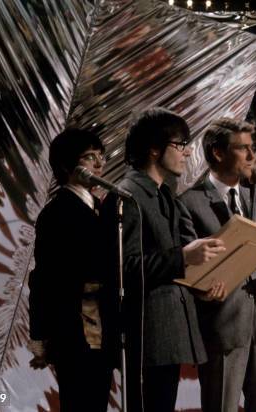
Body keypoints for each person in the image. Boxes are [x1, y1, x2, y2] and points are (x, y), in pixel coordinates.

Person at [101, 108, 226, 412]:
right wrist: (182, 256)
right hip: (144, 334)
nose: (187, 152)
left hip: (168, 334)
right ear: (154, 149)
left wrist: (202, 286)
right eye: (180, 144)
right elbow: (123, 268)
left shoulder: (165, 196)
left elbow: (177, 263)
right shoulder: (127, 196)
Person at [178, 118, 256, 412]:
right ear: (217, 152)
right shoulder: (189, 203)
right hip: (223, 327)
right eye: (244, 149)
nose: (253, 156)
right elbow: (188, 269)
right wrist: (203, 289)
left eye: (254, 148)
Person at [28, 128, 114, 412]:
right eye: (90, 157)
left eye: (101, 156)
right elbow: (42, 279)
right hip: (73, 328)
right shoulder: (55, 213)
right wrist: (39, 334)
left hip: (102, 325)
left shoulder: (102, 208)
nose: (100, 164)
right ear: (66, 165)